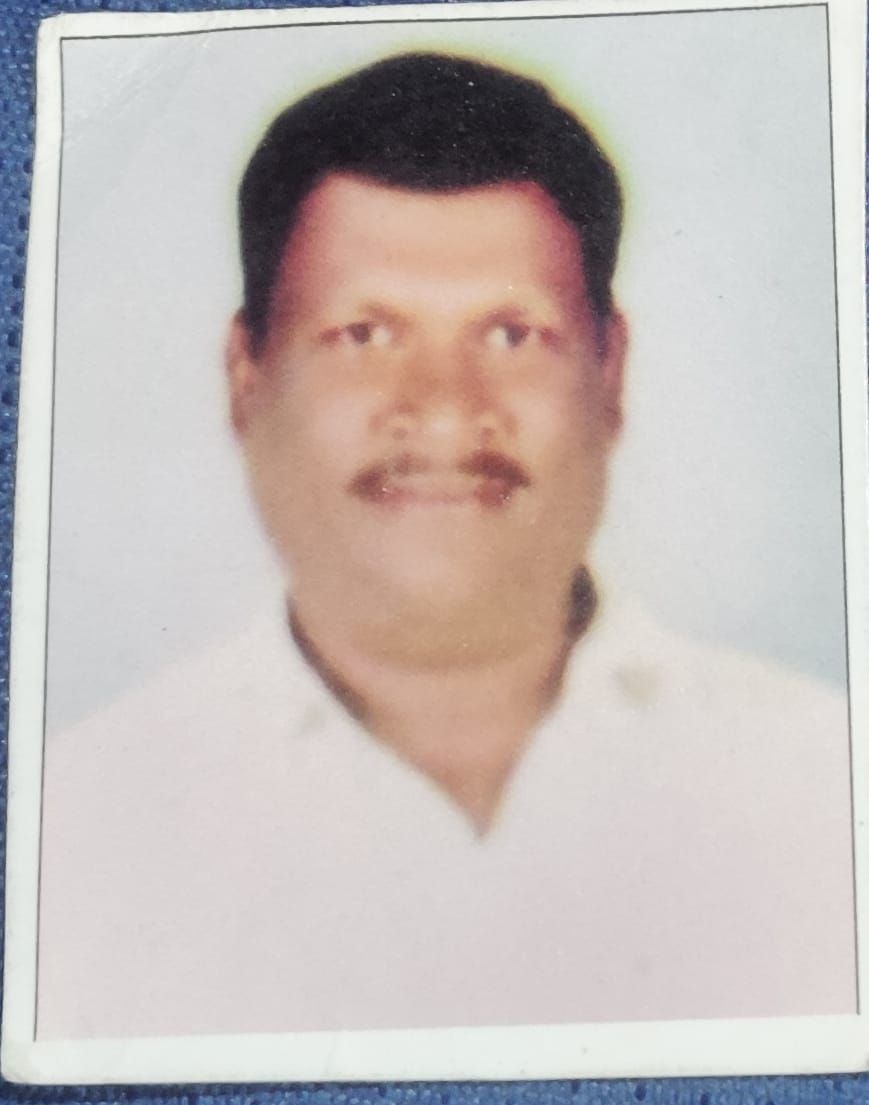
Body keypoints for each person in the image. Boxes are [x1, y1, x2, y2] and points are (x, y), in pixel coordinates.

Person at [37, 52, 856, 1040]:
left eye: (510, 334)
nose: (442, 410)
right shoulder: (69, 837)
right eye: (364, 334)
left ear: (609, 374)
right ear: (246, 376)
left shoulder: (825, 790)